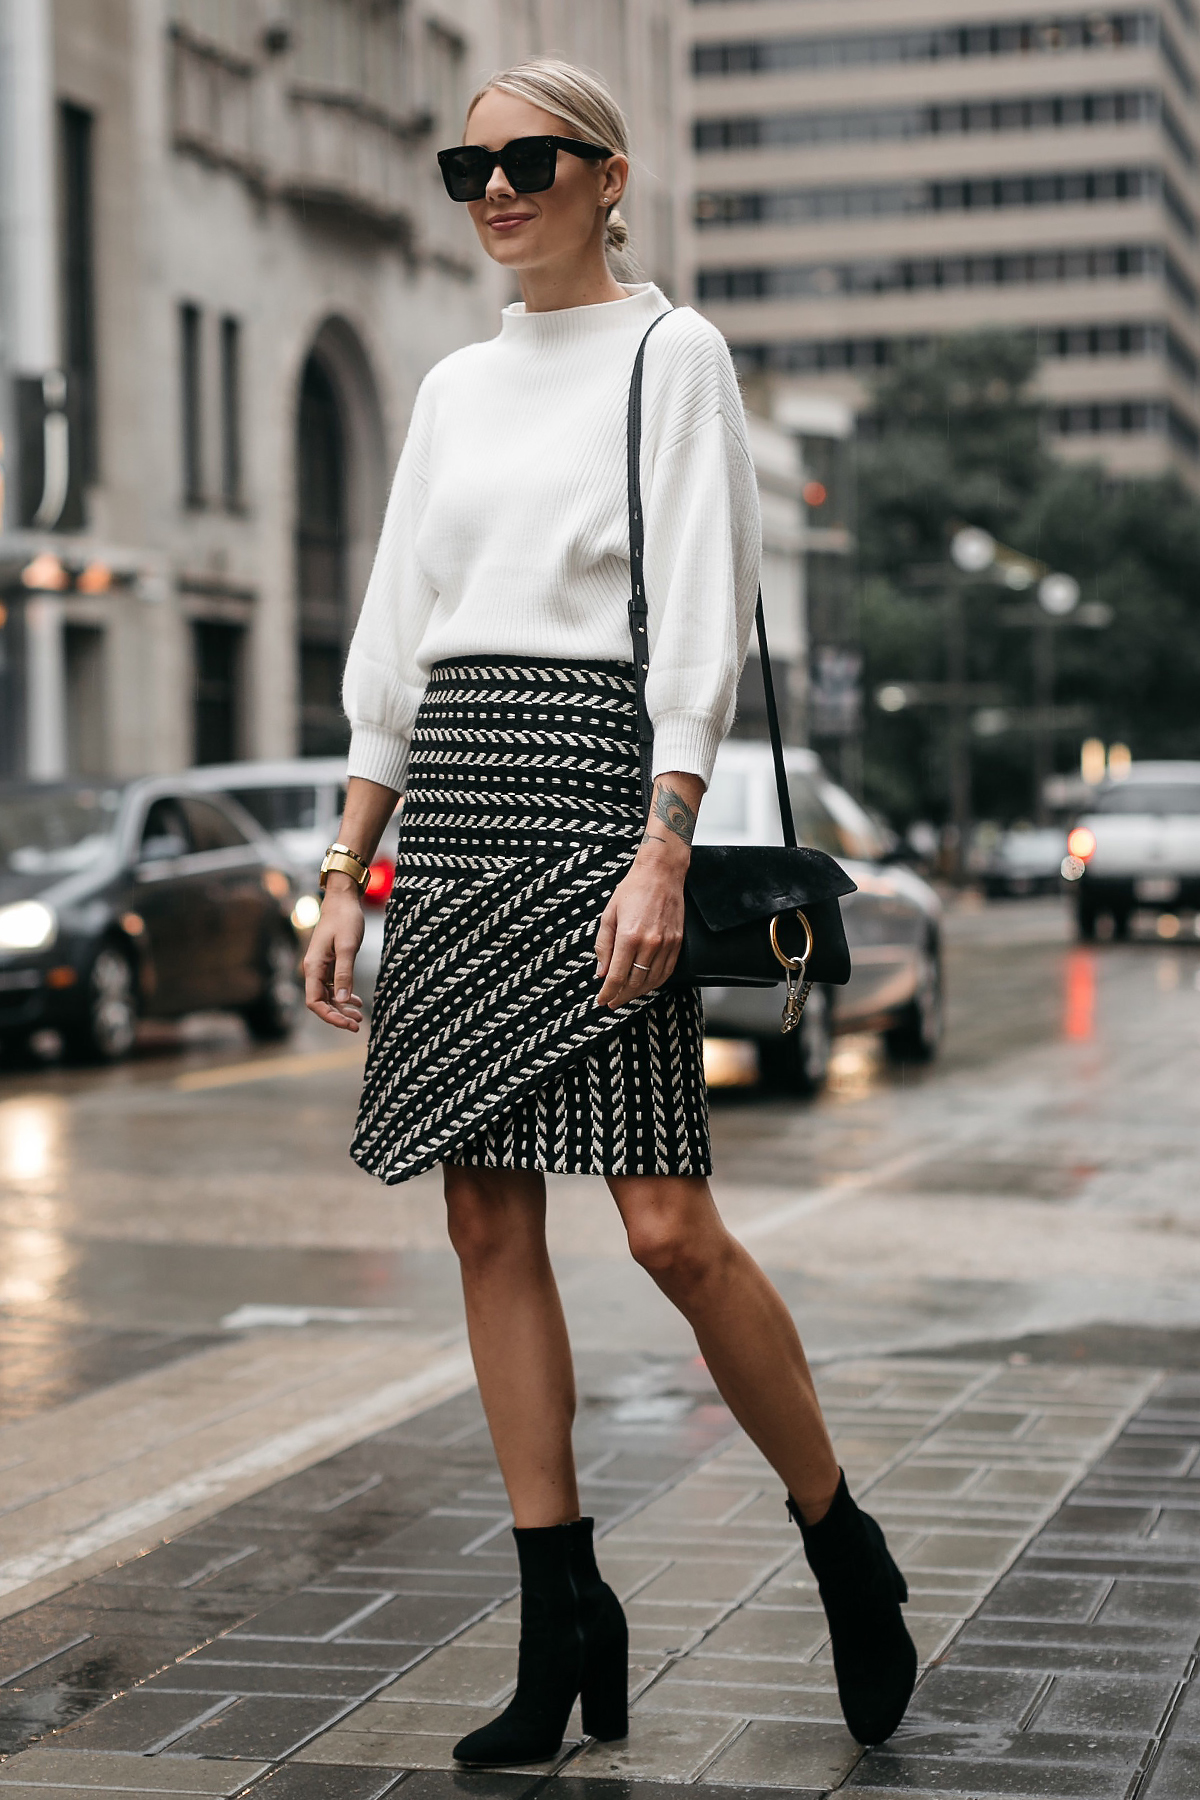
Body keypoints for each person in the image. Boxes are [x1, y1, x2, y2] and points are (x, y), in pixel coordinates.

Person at [303, 57, 916, 1766]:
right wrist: (343, 876)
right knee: (485, 1224)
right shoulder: (448, 388)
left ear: (606, 173)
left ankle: (839, 1537)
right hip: (462, 791)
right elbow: (390, 649)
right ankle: (560, 1608)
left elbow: (706, 618)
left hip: (596, 792)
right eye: (468, 163)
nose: (494, 188)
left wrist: (664, 842)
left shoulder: (674, 354)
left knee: (664, 1228)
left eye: (528, 158)